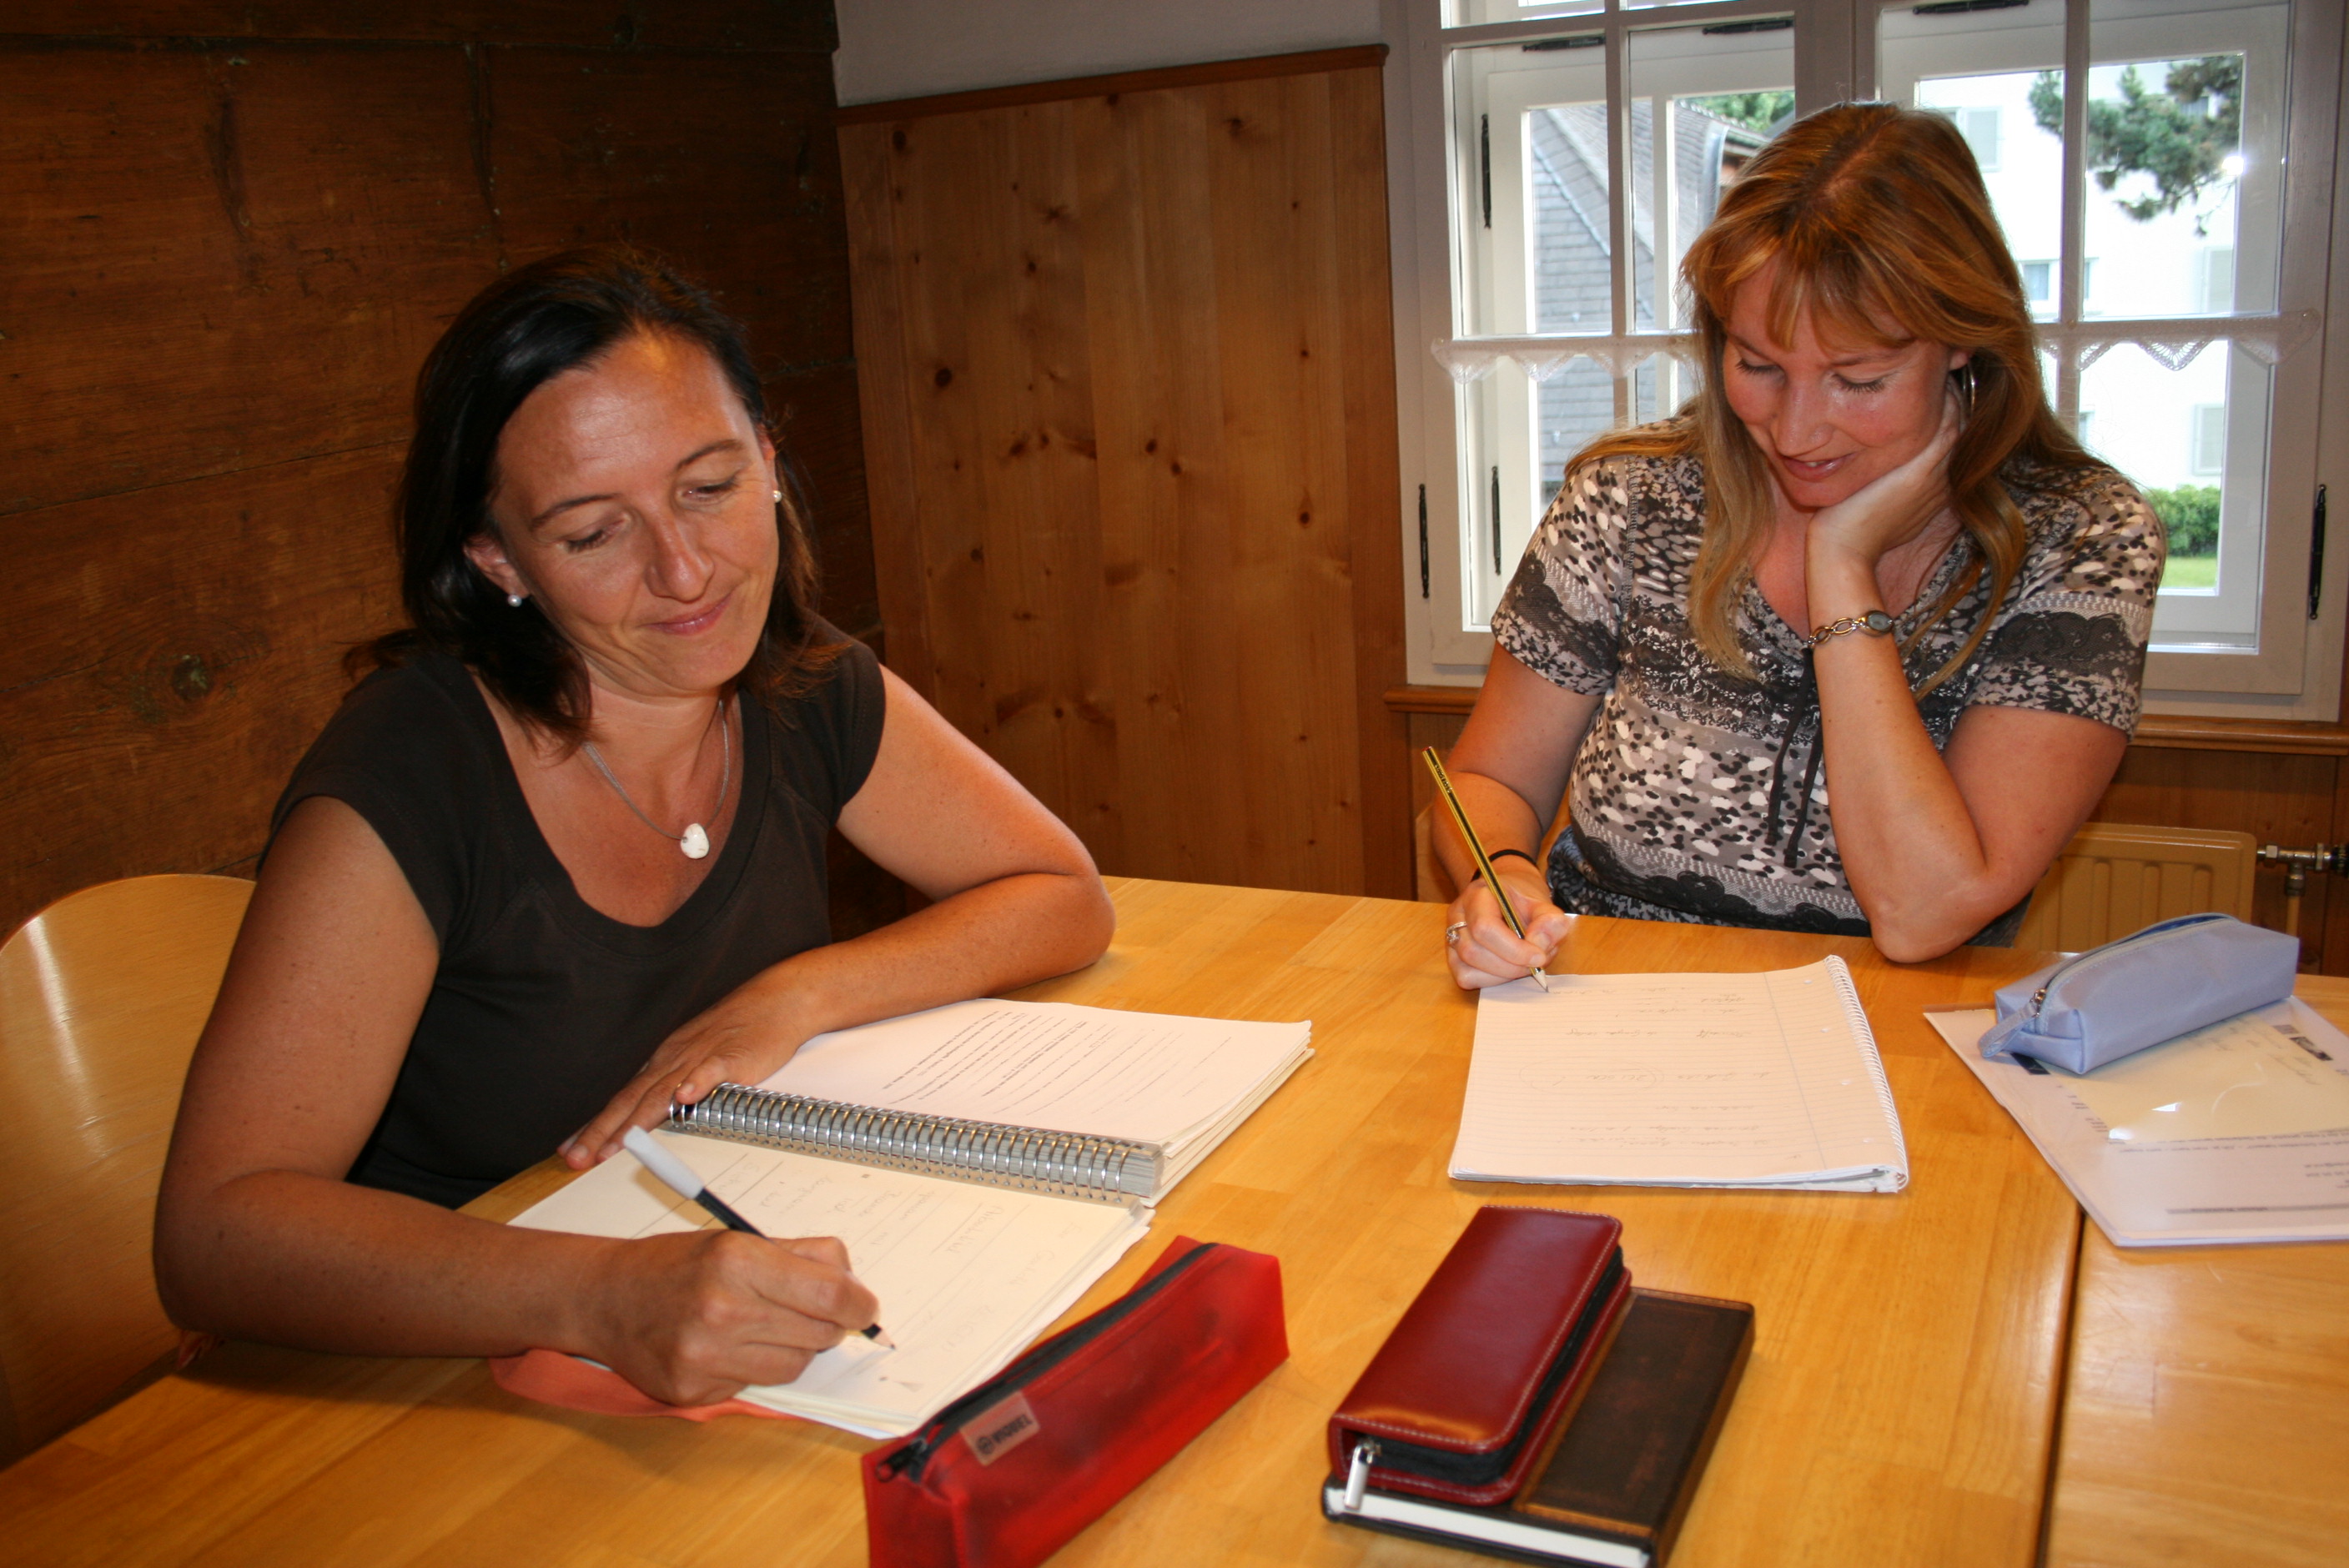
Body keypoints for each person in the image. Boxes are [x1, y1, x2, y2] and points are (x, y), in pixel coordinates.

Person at [155, 246, 1115, 1405]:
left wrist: (797, 994)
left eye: (708, 487)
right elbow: (214, 1236)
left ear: (769, 458)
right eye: (592, 534)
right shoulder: (412, 770)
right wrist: (602, 1296)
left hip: (714, 1322)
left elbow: (1062, 894)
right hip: (428, 1380)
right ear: (498, 558)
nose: (686, 571)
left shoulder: (798, 679)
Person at [1438, 103, 2163, 986]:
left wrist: (1841, 567)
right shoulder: (1632, 497)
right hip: (1613, 1001)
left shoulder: (2081, 538)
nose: (1795, 430)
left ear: (1964, 344)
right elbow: (1492, 780)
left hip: (1892, 1028)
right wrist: (1501, 873)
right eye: (1759, 366)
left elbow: (1925, 911)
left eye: (1858, 379)